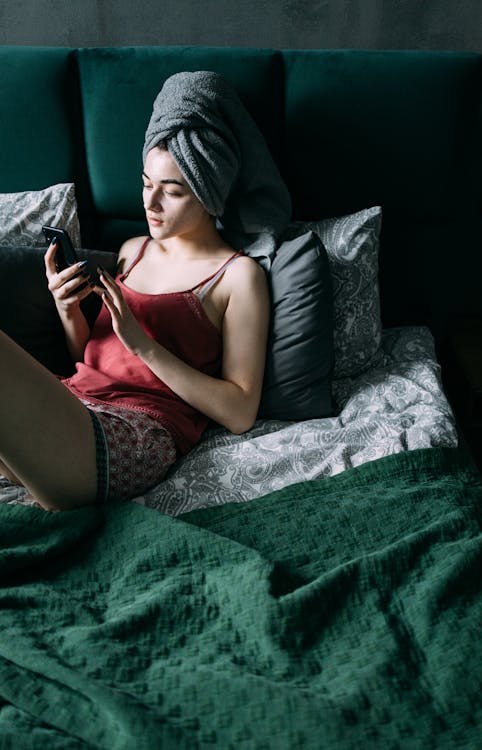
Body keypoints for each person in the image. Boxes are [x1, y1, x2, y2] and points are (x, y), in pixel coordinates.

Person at [0, 71, 291, 511]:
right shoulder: (133, 251)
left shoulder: (238, 276)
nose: (150, 204)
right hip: (74, 403)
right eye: (145, 183)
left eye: (171, 191)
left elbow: (239, 412)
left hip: (137, 434)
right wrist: (67, 309)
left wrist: (143, 345)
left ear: (211, 194)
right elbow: (88, 358)